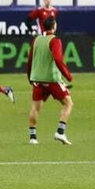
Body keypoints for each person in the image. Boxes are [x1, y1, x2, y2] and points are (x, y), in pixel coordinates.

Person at [25, 15, 73, 145]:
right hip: (52, 79)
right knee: (68, 103)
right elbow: (58, 59)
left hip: (37, 79)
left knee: (35, 107)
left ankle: (33, 137)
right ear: (54, 26)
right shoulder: (55, 40)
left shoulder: (37, 40)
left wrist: (29, 76)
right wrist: (68, 75)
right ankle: (60, 132)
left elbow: (30, 60)